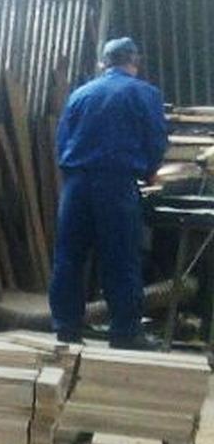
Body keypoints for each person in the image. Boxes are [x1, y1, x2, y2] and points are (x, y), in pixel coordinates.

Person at [48, 37, 168, 349]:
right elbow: (155, 140)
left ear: (104, 63)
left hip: (76, 185)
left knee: (69, 257)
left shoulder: (81, 93)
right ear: (134, 61)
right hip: (115, 185)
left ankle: (66, 329)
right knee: (121, 257)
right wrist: (150, 170)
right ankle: (125, 333)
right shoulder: (144, 93)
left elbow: (62, 140)